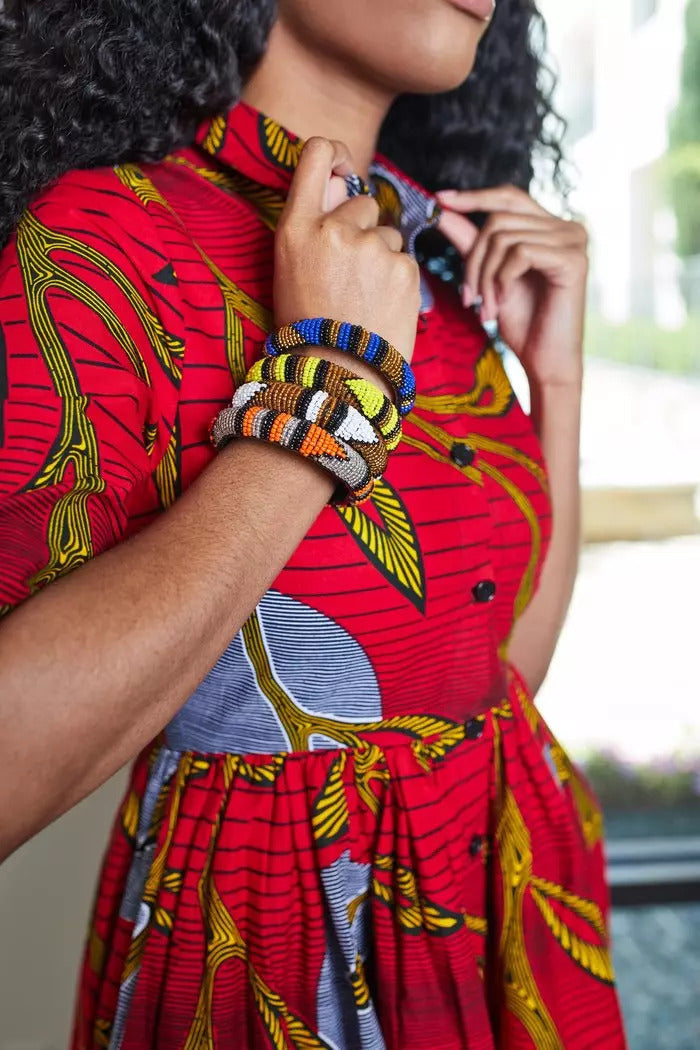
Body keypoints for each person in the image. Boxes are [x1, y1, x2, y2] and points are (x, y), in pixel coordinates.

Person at [0, 0, 627, 1046]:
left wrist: (554, 378)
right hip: (272, 986)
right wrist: (325, 390)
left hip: (508, 965)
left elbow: (490, 687)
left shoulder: (430, 259)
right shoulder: (106, 244)